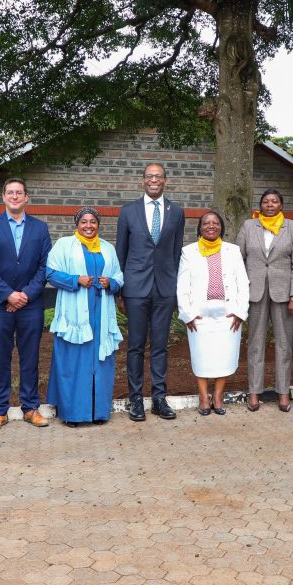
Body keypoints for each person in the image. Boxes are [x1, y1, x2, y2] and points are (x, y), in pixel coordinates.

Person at [0, 178, 52, 430]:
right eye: (10, 192)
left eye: (19, 192)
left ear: (26, 197)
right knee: (1, 357)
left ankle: (30, 408)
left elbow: (45, 266)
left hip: (31, 304)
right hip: (0, 303)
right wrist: (8, 294)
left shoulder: (40, 229)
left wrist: (25, 295)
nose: (15, 196)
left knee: (30, 357)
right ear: (4, 197)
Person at [115, 163, 185, 422]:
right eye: (150, 176)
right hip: (135, 287)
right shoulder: (128, 211)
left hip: (165, 287)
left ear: (165, 181)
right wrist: (119, 291)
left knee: (160, 345)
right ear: (142, 181)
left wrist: (177, 290)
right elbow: (120, 252)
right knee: (135, 346)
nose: (154, 180)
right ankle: (135, 399)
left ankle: (158, 397)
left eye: (159, 176)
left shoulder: (176, 212)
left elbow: (177, 253)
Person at [45, 208, 123, 427]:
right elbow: (49, 273)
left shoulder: (107, 248)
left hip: (101, 314)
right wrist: (75, 279)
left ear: (99, 224)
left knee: (100, 362)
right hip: (74, 315)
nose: (89, 226)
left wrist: (112, 283)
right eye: (84, 222)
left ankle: (98, 412)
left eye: (93, 222)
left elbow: (118, 274)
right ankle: (73, 413)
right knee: (74, 362)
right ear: (77, 224)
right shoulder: (64, 245)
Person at [236, 189, 293, 412]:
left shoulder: (292, 227)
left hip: (284, 294)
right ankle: (254, 392)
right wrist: (239, 293)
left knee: (284, 344)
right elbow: (238, 260)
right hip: (254, 292)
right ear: (261, 205)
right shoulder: (249, 226)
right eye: (266, 201)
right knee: (255, 343)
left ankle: (283, 392)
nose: (270, 204)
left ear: (281, 205)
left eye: (275, 201)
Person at [178, 211, 249, 415]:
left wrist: (239, 312)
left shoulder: (233, 251)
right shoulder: (189, 252)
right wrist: (187, 314)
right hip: (199, 316)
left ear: (221, 227)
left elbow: (242, 283)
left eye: (216, 223)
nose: (211, 226)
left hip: (228, 316)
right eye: (206, 223)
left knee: (223, 357)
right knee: (202, 358)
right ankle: (203, 397)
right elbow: (182, 285)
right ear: (200, 228)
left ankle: (218, 396)